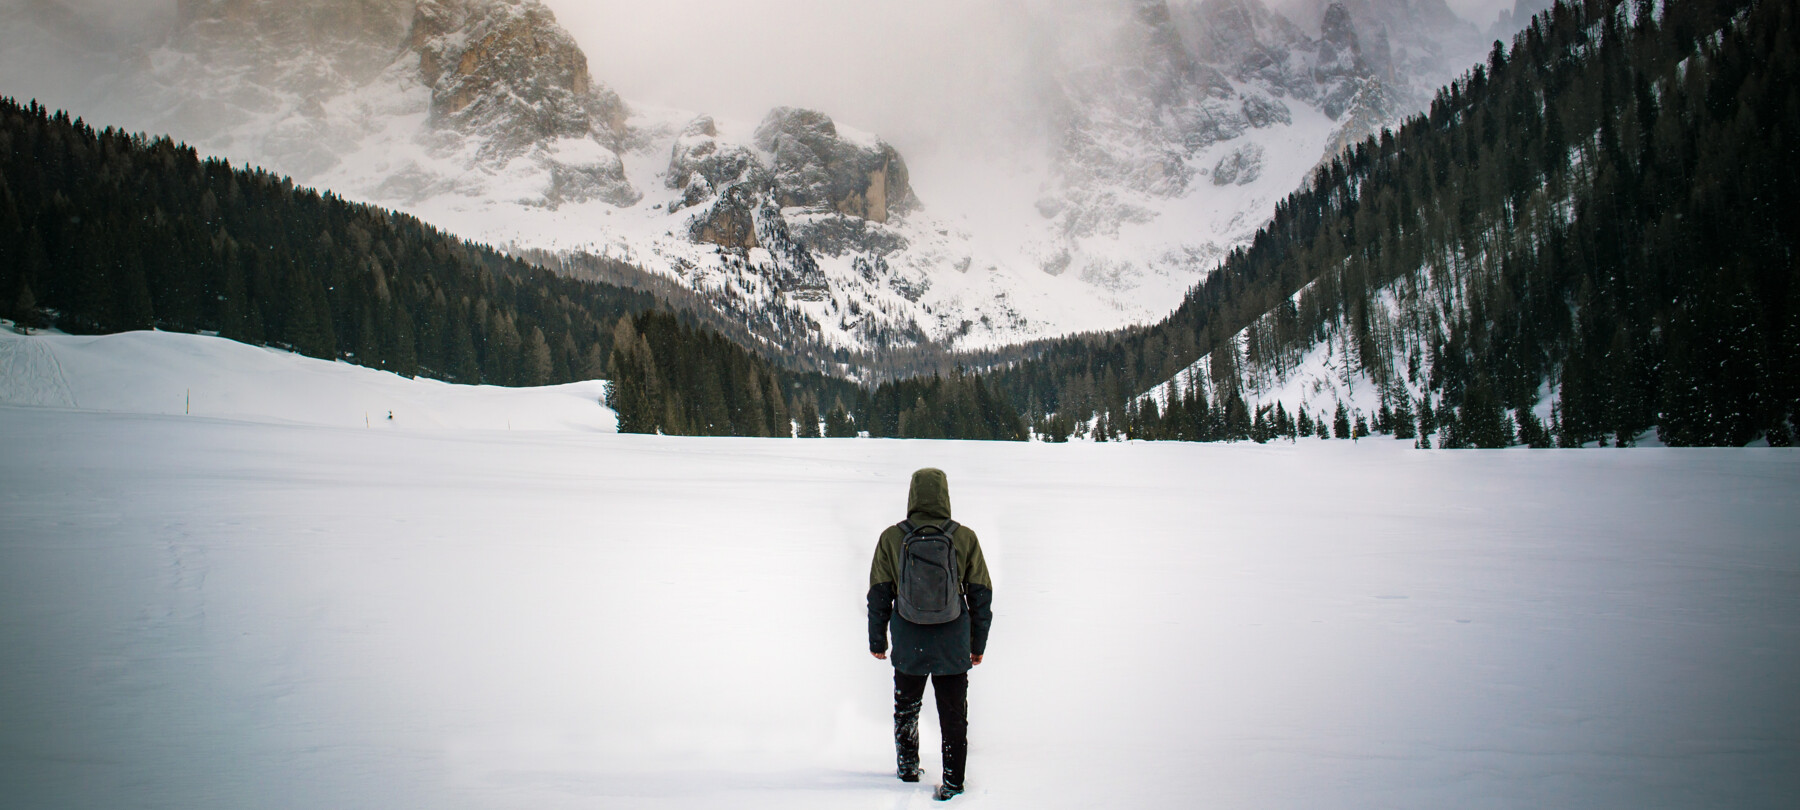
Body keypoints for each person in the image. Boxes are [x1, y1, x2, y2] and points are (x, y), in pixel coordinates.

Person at [867, 468, 994, 801]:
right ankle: (953, 781)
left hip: (909, 640)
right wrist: (977, 644)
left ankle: (908, 769)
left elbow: (879, 594)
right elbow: (981, 595)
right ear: (944, 495)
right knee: (953, 714)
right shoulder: (964, 537)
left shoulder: (892, 537)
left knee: (907, 707)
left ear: (912, 495)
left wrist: (877, 640)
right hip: (953, 642)